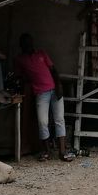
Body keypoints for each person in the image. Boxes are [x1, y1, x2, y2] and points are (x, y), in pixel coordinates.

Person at [15, 33, 74, 162]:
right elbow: (19, 76)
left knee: (59, 119)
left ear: (32, 43)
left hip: (54, 89)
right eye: (25, 43)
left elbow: (53, 70)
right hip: (41, 93)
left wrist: (59, 85)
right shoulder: (20, 59)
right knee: (43, 122)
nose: (28, 45)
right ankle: (46, 151)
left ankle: (62, 152)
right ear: (21, 45)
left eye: (29, 42)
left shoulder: (41, 53)